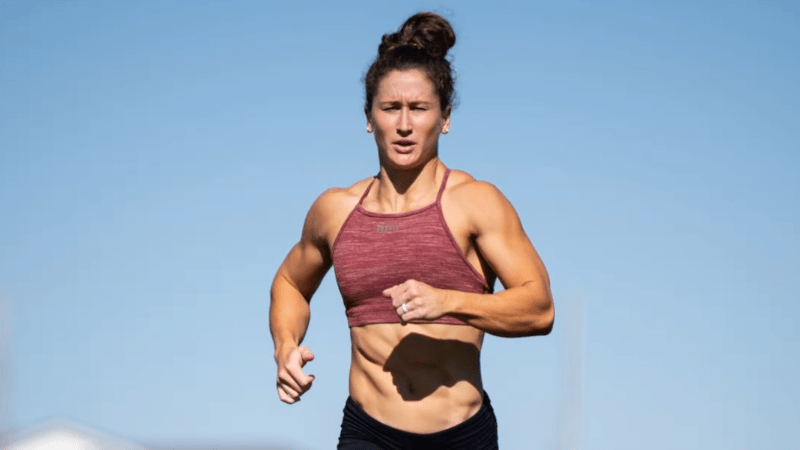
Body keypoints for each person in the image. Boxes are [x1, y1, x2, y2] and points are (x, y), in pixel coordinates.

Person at [270, 11, 554, 449]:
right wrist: (286, 345)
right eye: (391, 108)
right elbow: (290, 283)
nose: (404, 125)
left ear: (445, 118)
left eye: (419, 109)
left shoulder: (476, 202)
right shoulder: (335, 211)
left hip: (462, 435)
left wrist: (448, 301)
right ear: (369, 117)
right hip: (368, 432)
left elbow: (539, 308)